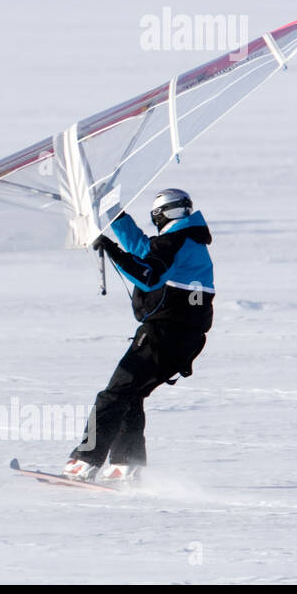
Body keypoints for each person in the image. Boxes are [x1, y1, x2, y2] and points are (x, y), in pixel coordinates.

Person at [64, 188, 214, 482]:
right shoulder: (189, 240)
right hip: (185, 339)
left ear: (158, 216)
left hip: (163, 334)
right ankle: (126, 464)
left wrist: (109, 247)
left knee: (114, 395)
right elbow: (143, 249)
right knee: (130, 396)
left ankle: (85, 461)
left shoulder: (175, 241)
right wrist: (111, 210)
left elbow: (147, 276)